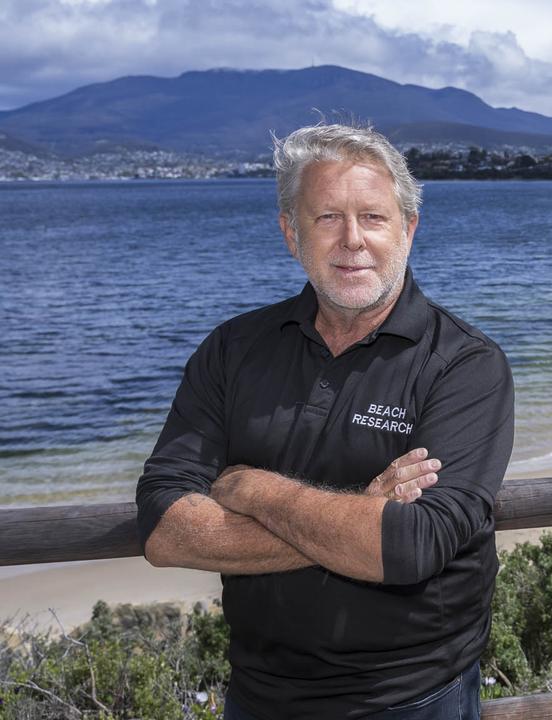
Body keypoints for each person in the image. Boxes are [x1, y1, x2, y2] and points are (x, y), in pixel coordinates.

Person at [136, 123, 514, 719]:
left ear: (409, 230)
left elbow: (414, 547)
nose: (352, 240)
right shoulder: (234, 349)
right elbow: (163, 529)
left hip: (413, 696)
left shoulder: (465, 364)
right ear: (292, 234)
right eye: (327, 218)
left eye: (374, 217)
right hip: (259, 694)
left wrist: (250, 487)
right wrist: (360, 514)